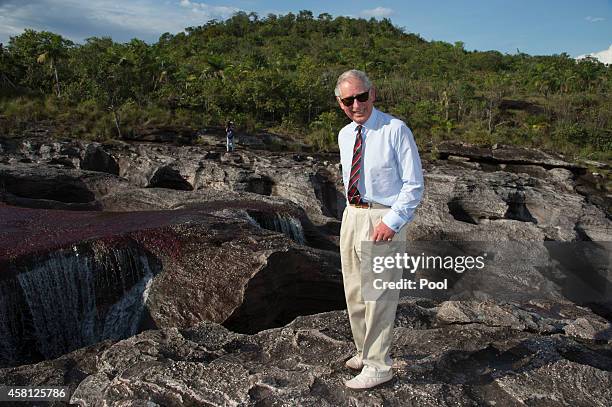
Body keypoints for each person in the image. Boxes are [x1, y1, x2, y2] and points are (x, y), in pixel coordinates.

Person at [335, 69, 424, 389]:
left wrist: (392, 222)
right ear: (340, 102)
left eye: (361, 96)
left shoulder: (395, 129)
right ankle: (364, 351)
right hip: (352, 215)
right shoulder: (345, 135)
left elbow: (414, 185)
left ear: (372, 93)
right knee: (355, 292)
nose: (356, 104)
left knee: (379, 296)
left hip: (382, 218)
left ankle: (378, 365)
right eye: (349, 100)